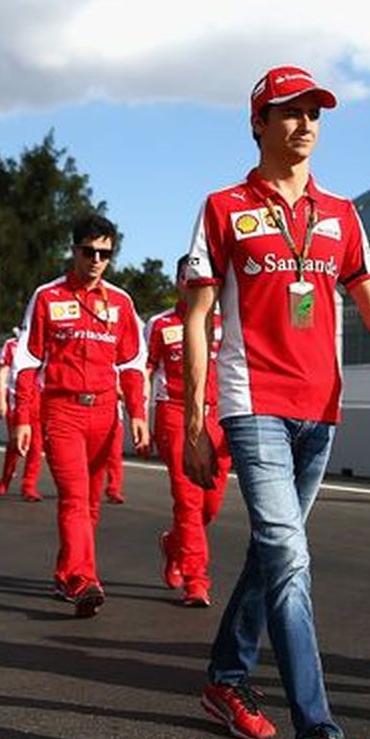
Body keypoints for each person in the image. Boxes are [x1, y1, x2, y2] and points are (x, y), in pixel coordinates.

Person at [182, 64, 370, 739]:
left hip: (321, 411)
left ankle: (224, 679)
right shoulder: (222, 207)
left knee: (272, 553)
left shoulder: (342, 214)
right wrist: (194, 416)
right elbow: (196, 319)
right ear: (258, 123)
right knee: (289, 556)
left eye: (316, 112)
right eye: (289, 112)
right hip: (252, 404)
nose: (306, 124)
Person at [12, 214, 149, 618]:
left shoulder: (121, 303)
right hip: (62, 410)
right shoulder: (48, 297)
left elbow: (132, 365)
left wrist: (138, 413)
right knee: (73, 499)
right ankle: (83, 580)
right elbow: (27, 360)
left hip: (106, 413)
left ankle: (63, 573)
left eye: (105, 253)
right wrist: (23, 416)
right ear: (73, 250)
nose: (96, 260)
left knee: (91, 505)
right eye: (89, 251)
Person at [147, 256, 232, 608]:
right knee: (189, 500)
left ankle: (173, 544)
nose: (195, 283)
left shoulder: (227, 323)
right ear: (179, 282)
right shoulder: (160, 324)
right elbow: (144, 368)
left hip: (219, 417)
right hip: (176, 415)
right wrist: (138, 414)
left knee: (209, 505)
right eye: (188, 277)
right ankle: (197, 580)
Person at [0, 326, 45, 502]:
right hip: (15, 399)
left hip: (37, 399)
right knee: (16, 442)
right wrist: (1, 400)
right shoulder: (11, 345)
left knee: (36, 445)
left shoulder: (44, 345)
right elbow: (3, 374)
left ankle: (29, 486)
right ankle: (6, 477)